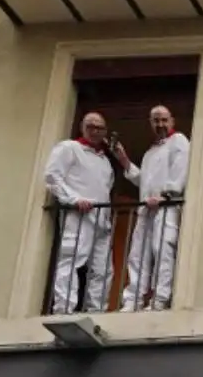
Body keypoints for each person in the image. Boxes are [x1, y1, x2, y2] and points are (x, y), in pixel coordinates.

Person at [45, 113, 119, 313]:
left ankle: (96, 311)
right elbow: (52, 177)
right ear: (82, 128)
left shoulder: (105, 161)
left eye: (99, 127)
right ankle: (64, 309)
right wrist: (74, 199)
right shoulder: (69, 148)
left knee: (103, 270)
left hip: (101, 220)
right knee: (72, 259)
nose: (95, 131)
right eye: (91, 126)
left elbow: (106, 188)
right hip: (79, 215)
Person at [120, 105, 188, 311]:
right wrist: (124, 160)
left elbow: (181, 170)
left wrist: (166, 194)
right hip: (147, 207)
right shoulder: (150, 152)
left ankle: (159, 299)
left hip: (166, 206)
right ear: (151, 123)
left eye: (164, 120)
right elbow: (144, 181)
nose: (160, 124)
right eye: (156, 120)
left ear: (172, 121)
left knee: (162, 249)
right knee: (137, 254)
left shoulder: (179, 141)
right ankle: (133, 300)